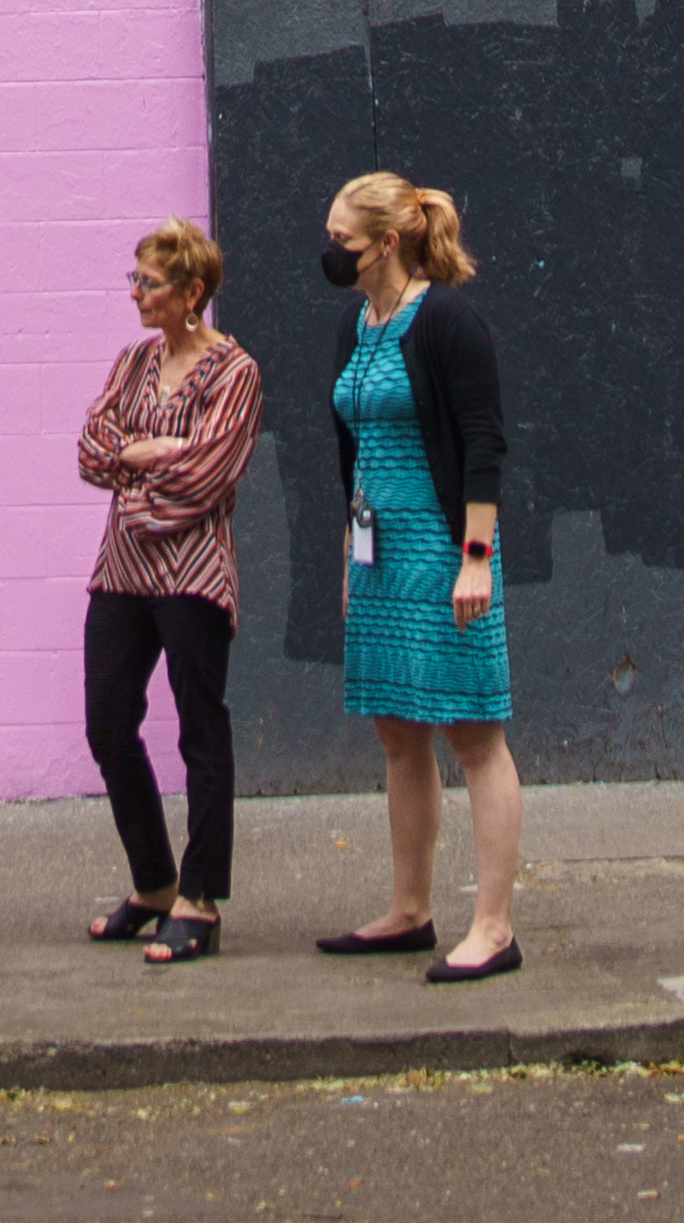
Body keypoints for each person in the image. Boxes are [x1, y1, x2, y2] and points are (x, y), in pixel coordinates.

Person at [312, 170, 520, 982]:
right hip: (379, 557)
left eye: (343, 242)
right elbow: (350, 454)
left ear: (388, 243)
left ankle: (494, 928)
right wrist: (346, 559)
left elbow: (484, 444)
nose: (333, 253)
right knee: (398, 732)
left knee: (472, 733)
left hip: (444, 550)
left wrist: (476, 560)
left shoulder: (450, 322)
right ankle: (409, 911)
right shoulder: (357, 326)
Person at [73, 217, 264, 965]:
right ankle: (153, 882)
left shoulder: (235, 371)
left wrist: (138, 478)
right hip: (121, 571)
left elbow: (209, 475)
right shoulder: (132, 362)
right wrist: (146, 454)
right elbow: (91, 450)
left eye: (147, 283)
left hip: (194, 573)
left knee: (199, 730)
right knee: (107, 723)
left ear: (192, 293)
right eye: (135, 279)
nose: (135, 294)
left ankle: (201, 898)